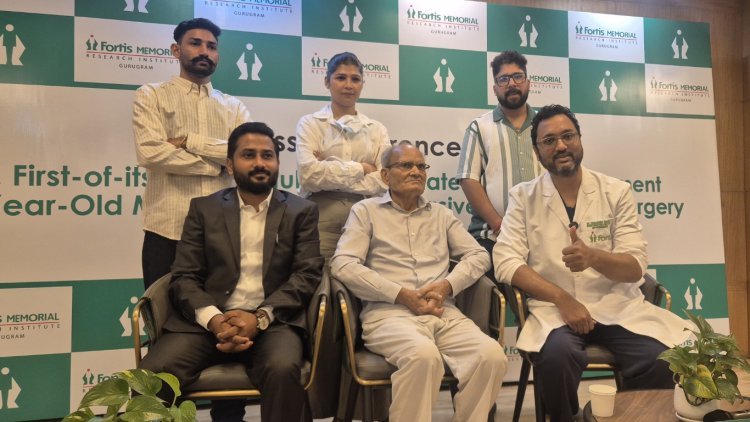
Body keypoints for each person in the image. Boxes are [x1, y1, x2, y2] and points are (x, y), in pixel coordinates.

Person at [493, 105, 691, 422]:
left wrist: (593, 257)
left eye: (568, 136)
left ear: (580, 139)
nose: (560, 146)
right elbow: (505, 261)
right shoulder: (523, 197)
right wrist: (562, 299)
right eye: (549, 140)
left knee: (660, 358)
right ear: (537, 151)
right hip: (556, 312)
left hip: (616, 307)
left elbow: (635, 266)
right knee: (557, 357)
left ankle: (634, 416)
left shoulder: (616, 191)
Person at [139, 122, 323, 422]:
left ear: (277, 163)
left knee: (282, 368)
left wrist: (259, 318)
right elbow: (184, 276)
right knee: (153, 375)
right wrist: (215, 320)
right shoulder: (204, 209)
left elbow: (307, 275)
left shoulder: (301, 211)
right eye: (248, 155)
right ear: (229, 164)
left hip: (275, 323)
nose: (260, 163)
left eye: (267, 155)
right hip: (207, 325)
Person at [331, 142, 507, 422]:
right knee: (423, 357)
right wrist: (401, 294)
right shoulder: (366, 212)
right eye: (406, 165)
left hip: (443, 312)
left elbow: (478, 255)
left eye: (421, 166)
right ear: (385, 175)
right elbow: (343, 264)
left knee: (491, 357)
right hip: (389, 314)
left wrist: (447, 286)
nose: (416, 172)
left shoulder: (441, 214)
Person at [133, 18, 251, 288]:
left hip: (222, 231)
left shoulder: (234, 106)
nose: (204, 51)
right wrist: (218, 165)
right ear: (176, 50)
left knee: (221, 310)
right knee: (162, 310)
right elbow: (151, 153)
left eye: (211, 46)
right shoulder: (151, 95)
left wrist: (189, 141)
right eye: (195, 43)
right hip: (166, 230)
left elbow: (245, 155)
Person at [296, 51, 390, 261]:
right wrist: (362, 169)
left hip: (367, 216)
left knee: (364, 278)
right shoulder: (310, 123)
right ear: (327, 81)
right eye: (341, 78)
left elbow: (383, 180)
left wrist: (329, 169)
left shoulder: (377, 129)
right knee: (320, 275)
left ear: (362, 84)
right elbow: (309, 175)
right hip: (321, 215)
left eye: (355, 79)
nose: (348, 85)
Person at [457, 50, 541, 267]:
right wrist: (498, 224)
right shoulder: (479, 127)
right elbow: (468, 179)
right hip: (493, 237)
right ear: (495, 88)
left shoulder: (545, 125)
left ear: (528, 83)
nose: (511, 83)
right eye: (503, 79)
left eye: (518, 76)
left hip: (544, 236)